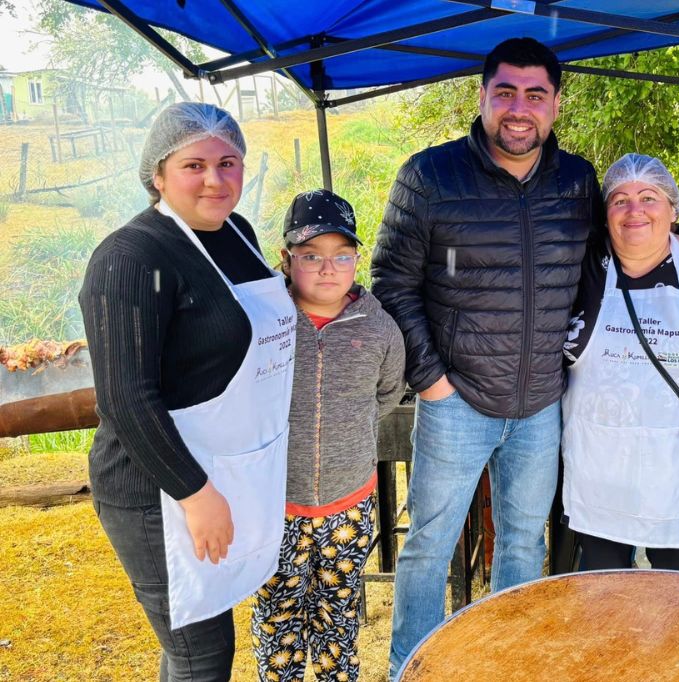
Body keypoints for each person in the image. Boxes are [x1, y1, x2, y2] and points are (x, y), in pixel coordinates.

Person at [370, 37, 604, 676]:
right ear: (482, 97)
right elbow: (391, 283)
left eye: (535, 95)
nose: (519, 109)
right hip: (456, 403)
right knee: (429, 547)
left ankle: (508, 665)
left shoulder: (577, 182)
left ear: (555, 104)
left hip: (541, 404)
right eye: (505, 92)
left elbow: (626, 243)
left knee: (523, 545)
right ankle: (410, 668)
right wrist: (432, 382)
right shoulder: (430, 177)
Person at [79, 103, 296, 680]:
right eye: (193, 165)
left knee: (194, 641)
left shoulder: (237, 234)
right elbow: (126, 399)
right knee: (201, 653)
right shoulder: (130, 258)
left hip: (228, 469)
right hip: (158, 488)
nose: (214, 180)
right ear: (157, 173)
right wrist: (195, 495)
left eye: (228, 163)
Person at [561, 154, 679, 571]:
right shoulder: (584, 265)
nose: (635, 210)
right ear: (605, 214)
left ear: (673, 209)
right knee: (604, 588)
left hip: (676, 464)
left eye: (649, 198)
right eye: (620, 200)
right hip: (599, 464)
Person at [250, 189, 405, 682]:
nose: (327, 269)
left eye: (341, 255)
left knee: (337, 618)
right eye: (311, 256)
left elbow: (387, 394)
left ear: (357, 259)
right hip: (276, 504)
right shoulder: (262, 321)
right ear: (286, 258)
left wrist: (347, 432)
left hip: (348, 506)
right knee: (278, 618)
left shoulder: (379, 328)